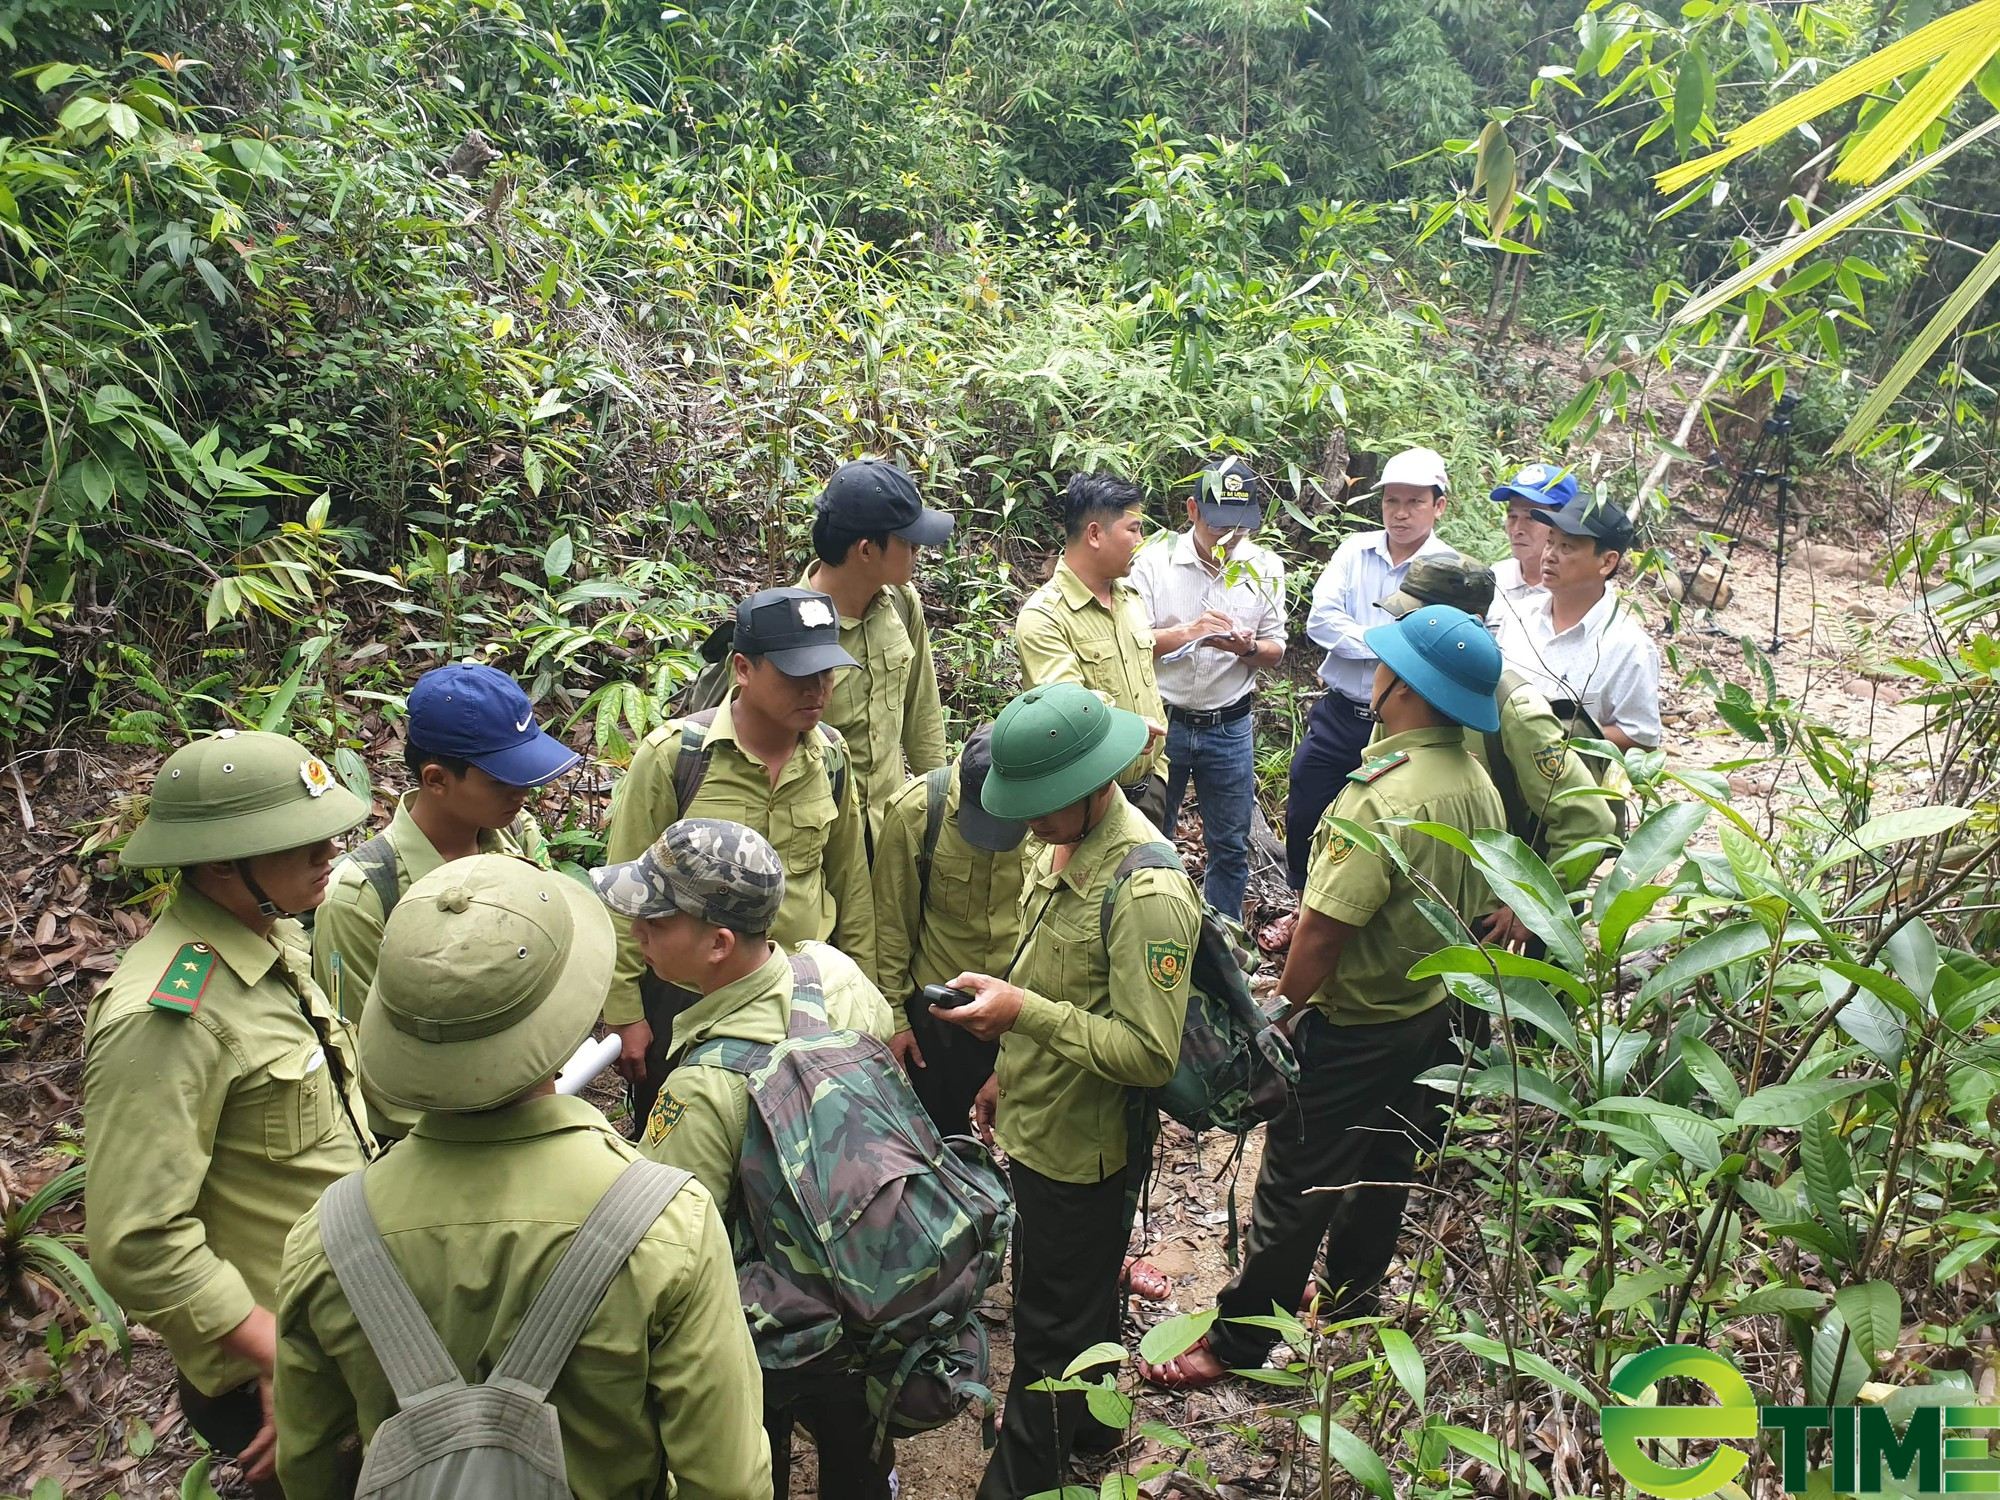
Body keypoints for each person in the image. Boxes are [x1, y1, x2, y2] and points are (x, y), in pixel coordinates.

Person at [274, 854, 770, 1500]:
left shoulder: (328, 1239)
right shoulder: (665, 1223)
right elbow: (727, 1481)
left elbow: (308, 1466)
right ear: (562, 1020)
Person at [1140, 607, 1506, 1390]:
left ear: (1403, 686)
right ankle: (1351, 1298)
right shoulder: (1475, 781)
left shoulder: (1379, 796)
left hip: (1353, 1023)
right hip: (1430, 1014)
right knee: (1385, 1162)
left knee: (1293, 1188)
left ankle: (1238, 1343)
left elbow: (1323, 934)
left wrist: (1283, 1006)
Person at [928, 681, 1200, 1500]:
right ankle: (1094, 1425)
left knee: (1049, 1328)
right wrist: (1003, 1068)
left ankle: (1022, 1481)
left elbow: (1150, 1052)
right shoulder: (1060, 846)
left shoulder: (1147, 890)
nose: (1027, 823)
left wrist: (1025, 1015)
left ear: (1092, 788)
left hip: (1087, 1145)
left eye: (1041, 806)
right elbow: (1049, 971)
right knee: (1077, 1299)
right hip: (1042, 1116)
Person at [85, 730, 373, 1496]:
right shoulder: (167, 1016)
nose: (330, 853)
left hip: (343, 1322)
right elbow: (137, 1241)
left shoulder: (272, 937)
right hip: (283, 1356)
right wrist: (272, 1353)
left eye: (330, 833)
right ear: (220, 863)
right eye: (300, 841)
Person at [592, 818, 896, 1500]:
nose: (637, 931)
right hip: (866, 1283)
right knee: (858, 1452)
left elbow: (667, 1245)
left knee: (759, 1447)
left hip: (771, 1327)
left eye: (655, 919)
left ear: (718, 944)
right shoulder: (834, 973)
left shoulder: (705, 1085)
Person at [599, 586, 878, 1127]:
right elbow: (628, 887)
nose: (818, 689)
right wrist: (626, 1011)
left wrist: (861, 988)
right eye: (798, 674)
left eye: (827, 672)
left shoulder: (833, 757)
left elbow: (849, 880)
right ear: (744, 669)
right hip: (690, 994)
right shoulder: (674, 757)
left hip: (801, 994)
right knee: (684, 1137)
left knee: (790, 1145)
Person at [312, 660, 578, 1134]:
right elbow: (357, 1052)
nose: (523, 793)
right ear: (435, 779)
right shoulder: (363, 897)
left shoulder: (514, 835)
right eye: (501, 780)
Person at [1377, 556, 1618, 945]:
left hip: (1482, 908)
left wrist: (1533, 905)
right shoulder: (1401, 687)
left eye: (1421, 621)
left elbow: (1588, 821)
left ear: (1470, 621)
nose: (1404, 632)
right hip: (1416, 899)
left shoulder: (1512, 707)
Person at [1285, 446, 1458, 895]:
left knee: (1387, 824)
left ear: (1438, 506)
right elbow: (1320, 620)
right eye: (1391, 501)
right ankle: (1302, 904)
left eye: (1414, 502)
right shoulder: (1354, 551)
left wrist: (1360, 638)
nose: (1400, 514)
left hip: (1406, 725)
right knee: (1306, 805)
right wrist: (1391, 646)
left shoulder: (1449, 571)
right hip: (1340, 713)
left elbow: (1442, 648)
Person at [1129, 455, 1287, 919]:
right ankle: (1155, 926)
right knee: (1151, 833)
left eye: (1239, 527)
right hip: (1164, 719)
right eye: (1219, 525)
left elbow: (1276, 648)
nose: (1230, 537)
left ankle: (1224, 941)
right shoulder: (1154, 564)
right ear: (1192, 509)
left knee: (1230, 843)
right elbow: (1134, 643)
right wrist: (1192, 631)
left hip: (1230, 723)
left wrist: (1245, 647)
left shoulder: (1264, 566)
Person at [873, 724, 1030, 1136]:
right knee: (933, 1143)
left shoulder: (1049, 811)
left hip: (1022, 1010)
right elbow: (890, 923)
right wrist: (895, 1020)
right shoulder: (918, 813)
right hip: (938, 1015)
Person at [798, 459, 953, 848]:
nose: (918, 550)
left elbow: (922, 712)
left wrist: (939, 811)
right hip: (824, 843)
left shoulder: (901, 602)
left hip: (889, 832)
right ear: (866, 550)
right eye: (908, 541)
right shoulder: (788, 630)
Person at [1015, 471, 1170, 829]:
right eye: (1134, 530)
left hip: (1150, 788)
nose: (1141, 541)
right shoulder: (1044, 617)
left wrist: (1159, 773)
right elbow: (1068, 709)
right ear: (1096, 534)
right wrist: (1129, 728)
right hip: (1089, 800)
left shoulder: (1130, 600)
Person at [1496, 492, 1662, 752]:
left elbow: (1641, 738)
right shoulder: (1517, 617)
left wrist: (1560, 737)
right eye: (1550, 542)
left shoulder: (1628, 646)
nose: (1549, 555)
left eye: (1567, 547)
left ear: (1607, 562)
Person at [1485, 461, 1575, 631]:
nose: (1517, 530)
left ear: (1563, 523)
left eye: (1531, 518)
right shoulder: (1494, 579)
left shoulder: (1576, 593)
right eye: (1512, 516)